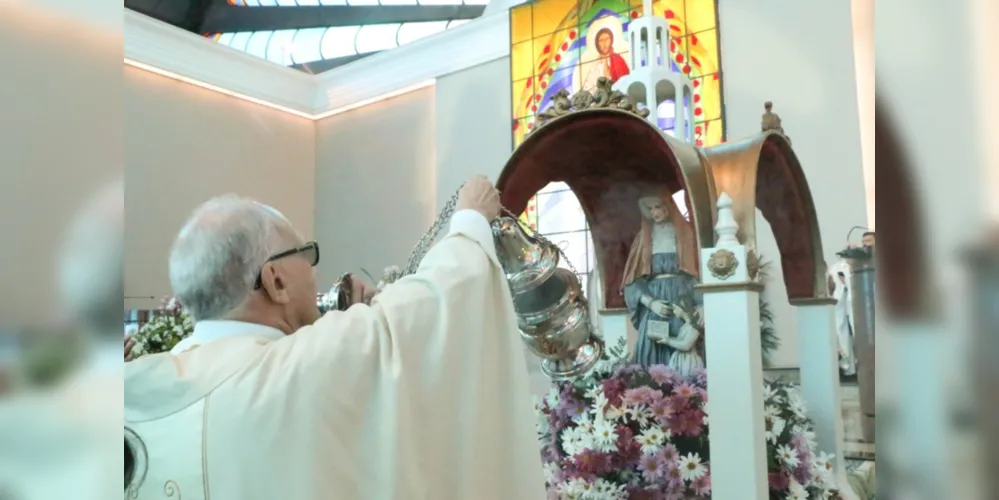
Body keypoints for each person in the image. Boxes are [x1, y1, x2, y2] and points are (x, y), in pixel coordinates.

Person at [124, 175, 546, 500]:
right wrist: (471, 223)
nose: (314, 274)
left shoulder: (133, 389)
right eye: (305, 256)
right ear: (275, 281)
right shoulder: (299, 366)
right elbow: (438, 300)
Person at [621, 188, 699, 367]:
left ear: (668, 206)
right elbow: (632, 280)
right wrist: (651, 303)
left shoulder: (685, 233)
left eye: (657, 207)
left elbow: (696, 273)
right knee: (652, 346)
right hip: (655, 302)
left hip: (681, 300)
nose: (654, 213)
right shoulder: (643, 239)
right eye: (650, 209)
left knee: (682, 345)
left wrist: (699, 306)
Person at [581, 25, 630, 92]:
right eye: (601, 40)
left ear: (611, 40)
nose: (604, 43)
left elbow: (625, 80)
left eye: (607, 39)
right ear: (597, 44)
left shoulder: (618, 59)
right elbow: (588, 87)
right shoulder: (594, 66)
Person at [834, 271, 856, 377]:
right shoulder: (841, 291)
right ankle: (848, 368)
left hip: (849, 319)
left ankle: (850, 367)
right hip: (845, 320)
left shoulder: (848, 289)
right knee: (846, 341)